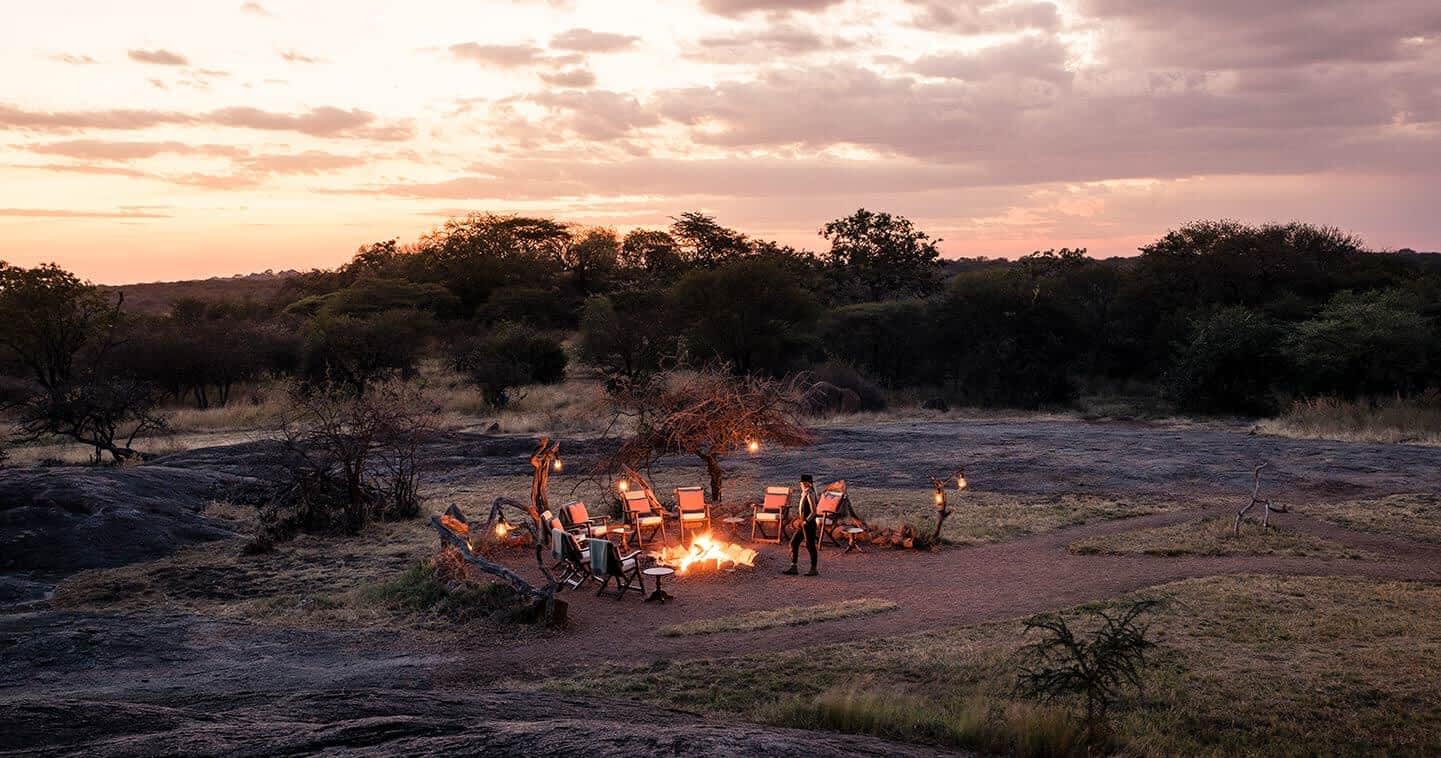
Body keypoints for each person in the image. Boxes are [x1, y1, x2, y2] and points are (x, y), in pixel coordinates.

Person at [783, 474, 819, 576]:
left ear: (806, 483)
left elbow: (814, 511)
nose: (800, 484)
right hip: (803, 523)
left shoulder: (809, 494)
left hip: (808, 524)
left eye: (802, 483)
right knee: (794, 542)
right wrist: (800, 520)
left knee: (810, 545)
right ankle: (793, 567)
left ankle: (813, 569)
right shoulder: (805, 493)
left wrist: (806, 521)